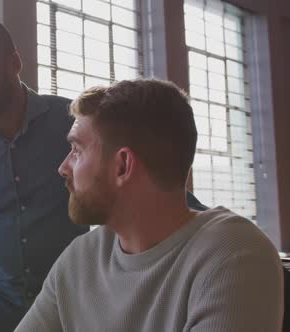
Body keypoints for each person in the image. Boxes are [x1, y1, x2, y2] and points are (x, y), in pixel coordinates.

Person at [0, 19, 206, 331]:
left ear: (14, 63)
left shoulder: (74, 124)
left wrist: (215, 231)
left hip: (74, 315)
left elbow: (150, 186)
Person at [15, 79, 284, 332]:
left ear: (123, 166)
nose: (63, 168)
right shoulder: (79, 258)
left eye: (77, 150)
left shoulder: (233, 253)